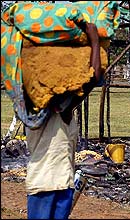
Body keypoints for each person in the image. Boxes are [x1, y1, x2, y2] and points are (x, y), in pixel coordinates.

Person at [25, 22, 101, 219]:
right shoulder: (38, 107)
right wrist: (94, 40)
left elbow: (92, 80)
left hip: (64, 185)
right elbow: (93, 78)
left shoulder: (65, 112)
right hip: (43, 187)